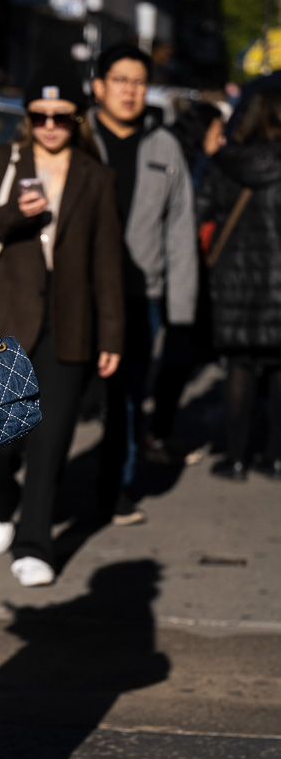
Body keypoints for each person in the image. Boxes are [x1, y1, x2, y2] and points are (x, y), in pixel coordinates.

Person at [0, 62, 125, 585]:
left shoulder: (95, 176)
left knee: (52, 438)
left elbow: (107, 260)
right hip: (8, 319)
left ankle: (37, 542)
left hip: (71, 321)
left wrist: (112, 334)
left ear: (76, 116)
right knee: (4, 437)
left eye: (61, 115)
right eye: (40, 115)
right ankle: (3, 500)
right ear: (28, 117)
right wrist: (15, 212)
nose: (50, 125)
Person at [89, 43, 198, 524]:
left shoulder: (165, 147)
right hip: (79, 292)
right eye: (120, 80)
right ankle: (40, 492)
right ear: (99, 86)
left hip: (141, 296)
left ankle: (116, 488)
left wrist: (181, 313)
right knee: (62, 396)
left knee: (127, 399)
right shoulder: (77, 137)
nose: (130, 91)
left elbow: (180, 231)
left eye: (138, 82)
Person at [197, 89, 281, 481]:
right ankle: (275, 456)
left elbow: (200, 212)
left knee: (240, 369)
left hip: (233, 285)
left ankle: (234, 458)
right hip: (278, 284)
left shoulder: (224, 165)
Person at [145, 101, 226, 464]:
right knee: (171, 356)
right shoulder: (188, 165)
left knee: (173, 356)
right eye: (217, 132)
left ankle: (155, 433)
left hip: (179, 273)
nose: (222, 140)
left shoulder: (195, 161)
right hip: (171, 272)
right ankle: (154, 435)